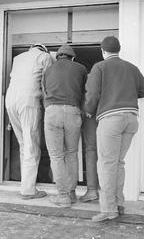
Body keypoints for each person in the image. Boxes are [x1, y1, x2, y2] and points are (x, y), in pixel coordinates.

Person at [84, 36, 144, 222]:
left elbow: (92, 93)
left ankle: (108, 210)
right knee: (118, 163)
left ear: (103, 51)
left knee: (106, 164)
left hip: (111, 119)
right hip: (131, 119)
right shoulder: (131, 68)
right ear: (118, 49)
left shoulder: (100, 67)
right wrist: (129, 90)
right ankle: (119, 204)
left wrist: (89, 110)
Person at [5, 43, 53, 200]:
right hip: (29, 99)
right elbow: (46, 84)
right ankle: (28, 190)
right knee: (31, 144)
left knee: (24, 145)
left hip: (10, 100)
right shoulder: (45, 57)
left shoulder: (18, 58)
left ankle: (25, 185)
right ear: (44, 49)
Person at [43, 44, 87, 207]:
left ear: (58, 56)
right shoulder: (81, 69)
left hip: (53, 111)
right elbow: (85, 92)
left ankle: (62, 196)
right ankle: (71, 193)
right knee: (72, 153)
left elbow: (45, 92)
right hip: (72, 111)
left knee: (56, 156)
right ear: (72, 57)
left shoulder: (49, 70)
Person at [79, 116, 99, 202]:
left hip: (92, 114)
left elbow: (90, 102)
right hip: (108, 113)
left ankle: (92, 190)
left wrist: (87, 109)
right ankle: (108, 191)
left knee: (91, 150)